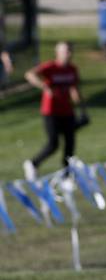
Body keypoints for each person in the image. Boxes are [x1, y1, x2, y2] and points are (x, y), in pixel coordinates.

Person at [22, 42, 88, 180]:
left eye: (70, 51)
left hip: (67, 111)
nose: (69, 54)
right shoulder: (50, 67)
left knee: (70, 145)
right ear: (58, 53)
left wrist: (82, 109)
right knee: (54, 143)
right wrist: (44, 87)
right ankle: (32, 164)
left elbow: (75, 90)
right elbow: (29, 75)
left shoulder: (72, 69)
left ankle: (66, 177)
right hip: (50, 111)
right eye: (66, 51)